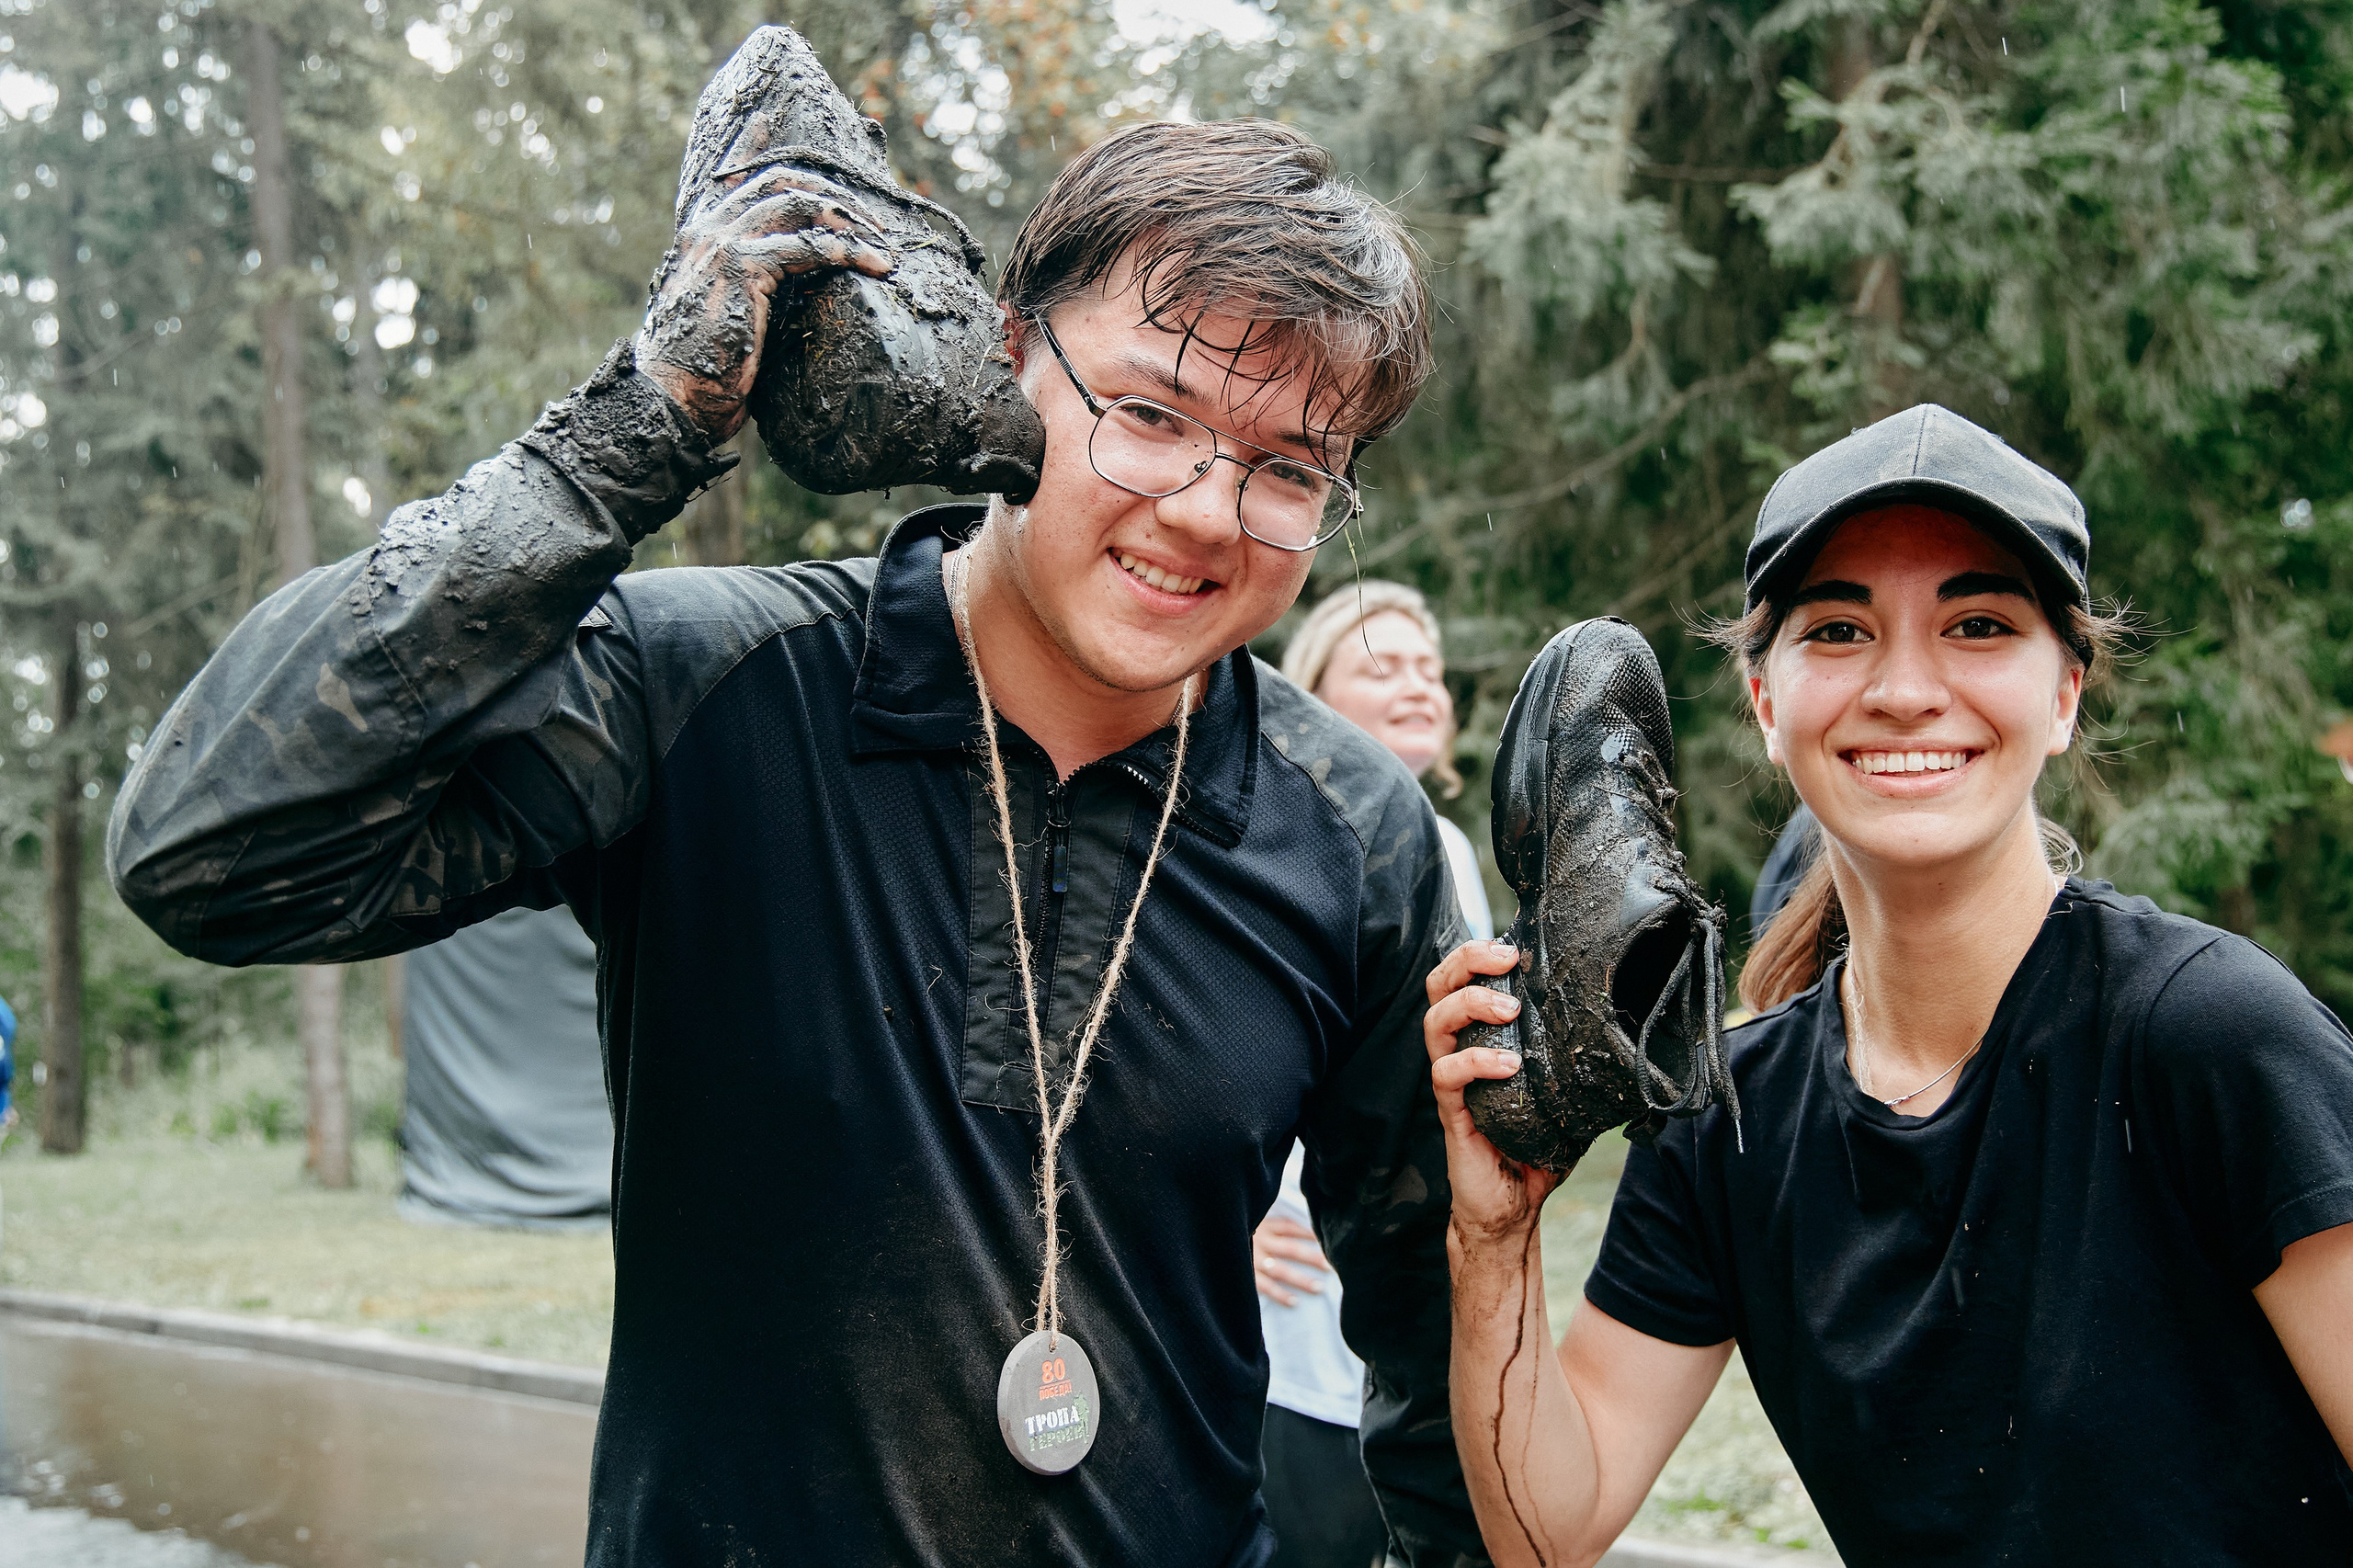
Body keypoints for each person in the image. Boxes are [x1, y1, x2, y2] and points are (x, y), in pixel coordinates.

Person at [108, 120, 1491, 1565]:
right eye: (1149, 413)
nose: (1206, 510)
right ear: (1012, 355)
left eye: (1287, 467)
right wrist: (629, 434)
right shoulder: (707, 687)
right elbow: (209, 850)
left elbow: (1434, 1340)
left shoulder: (1356, 832)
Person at [1425, 404, 2353, 1566]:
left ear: (2063, 692)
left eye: (1975, 623)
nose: (1906, 688)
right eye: (1839, 629)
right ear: (1767, 704)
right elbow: (1547, 1532)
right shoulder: (1727, 1118)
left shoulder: (2209, 1034)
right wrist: (1494, 1234)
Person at [1251, 582, 1493, 1567]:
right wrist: (1238, 1215)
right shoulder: (1266, 850)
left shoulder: (1451, 853)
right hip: (1295, 1345)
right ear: (1312, 695)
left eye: (1428, 669)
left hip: (1425, 1335)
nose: (1418, 686)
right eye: (1380, 665)